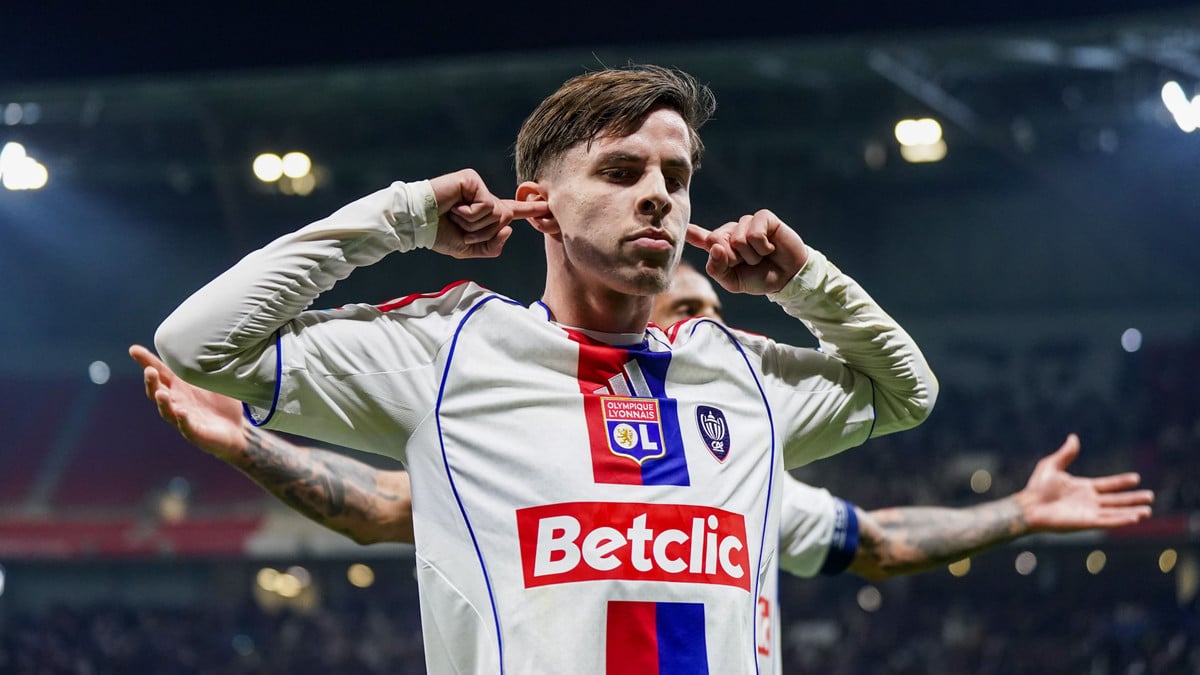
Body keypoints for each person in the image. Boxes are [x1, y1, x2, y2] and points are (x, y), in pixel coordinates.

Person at [154, 64, 939, 674]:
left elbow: (908, 392)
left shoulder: (740, 374)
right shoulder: (448, 352)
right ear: (538, 205)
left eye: (675, 178)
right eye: (621, 172)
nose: (659, 197)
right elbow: (200, 342)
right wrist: (404, 215)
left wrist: (805, 281)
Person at [133, 264, 1152, 670]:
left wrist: (1019, 513)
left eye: (716, 313)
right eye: (686, 311)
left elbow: (878, 540)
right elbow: (382, 505)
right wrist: (248, 442)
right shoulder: (521, 429)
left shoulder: (745, 470)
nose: (709, 328)